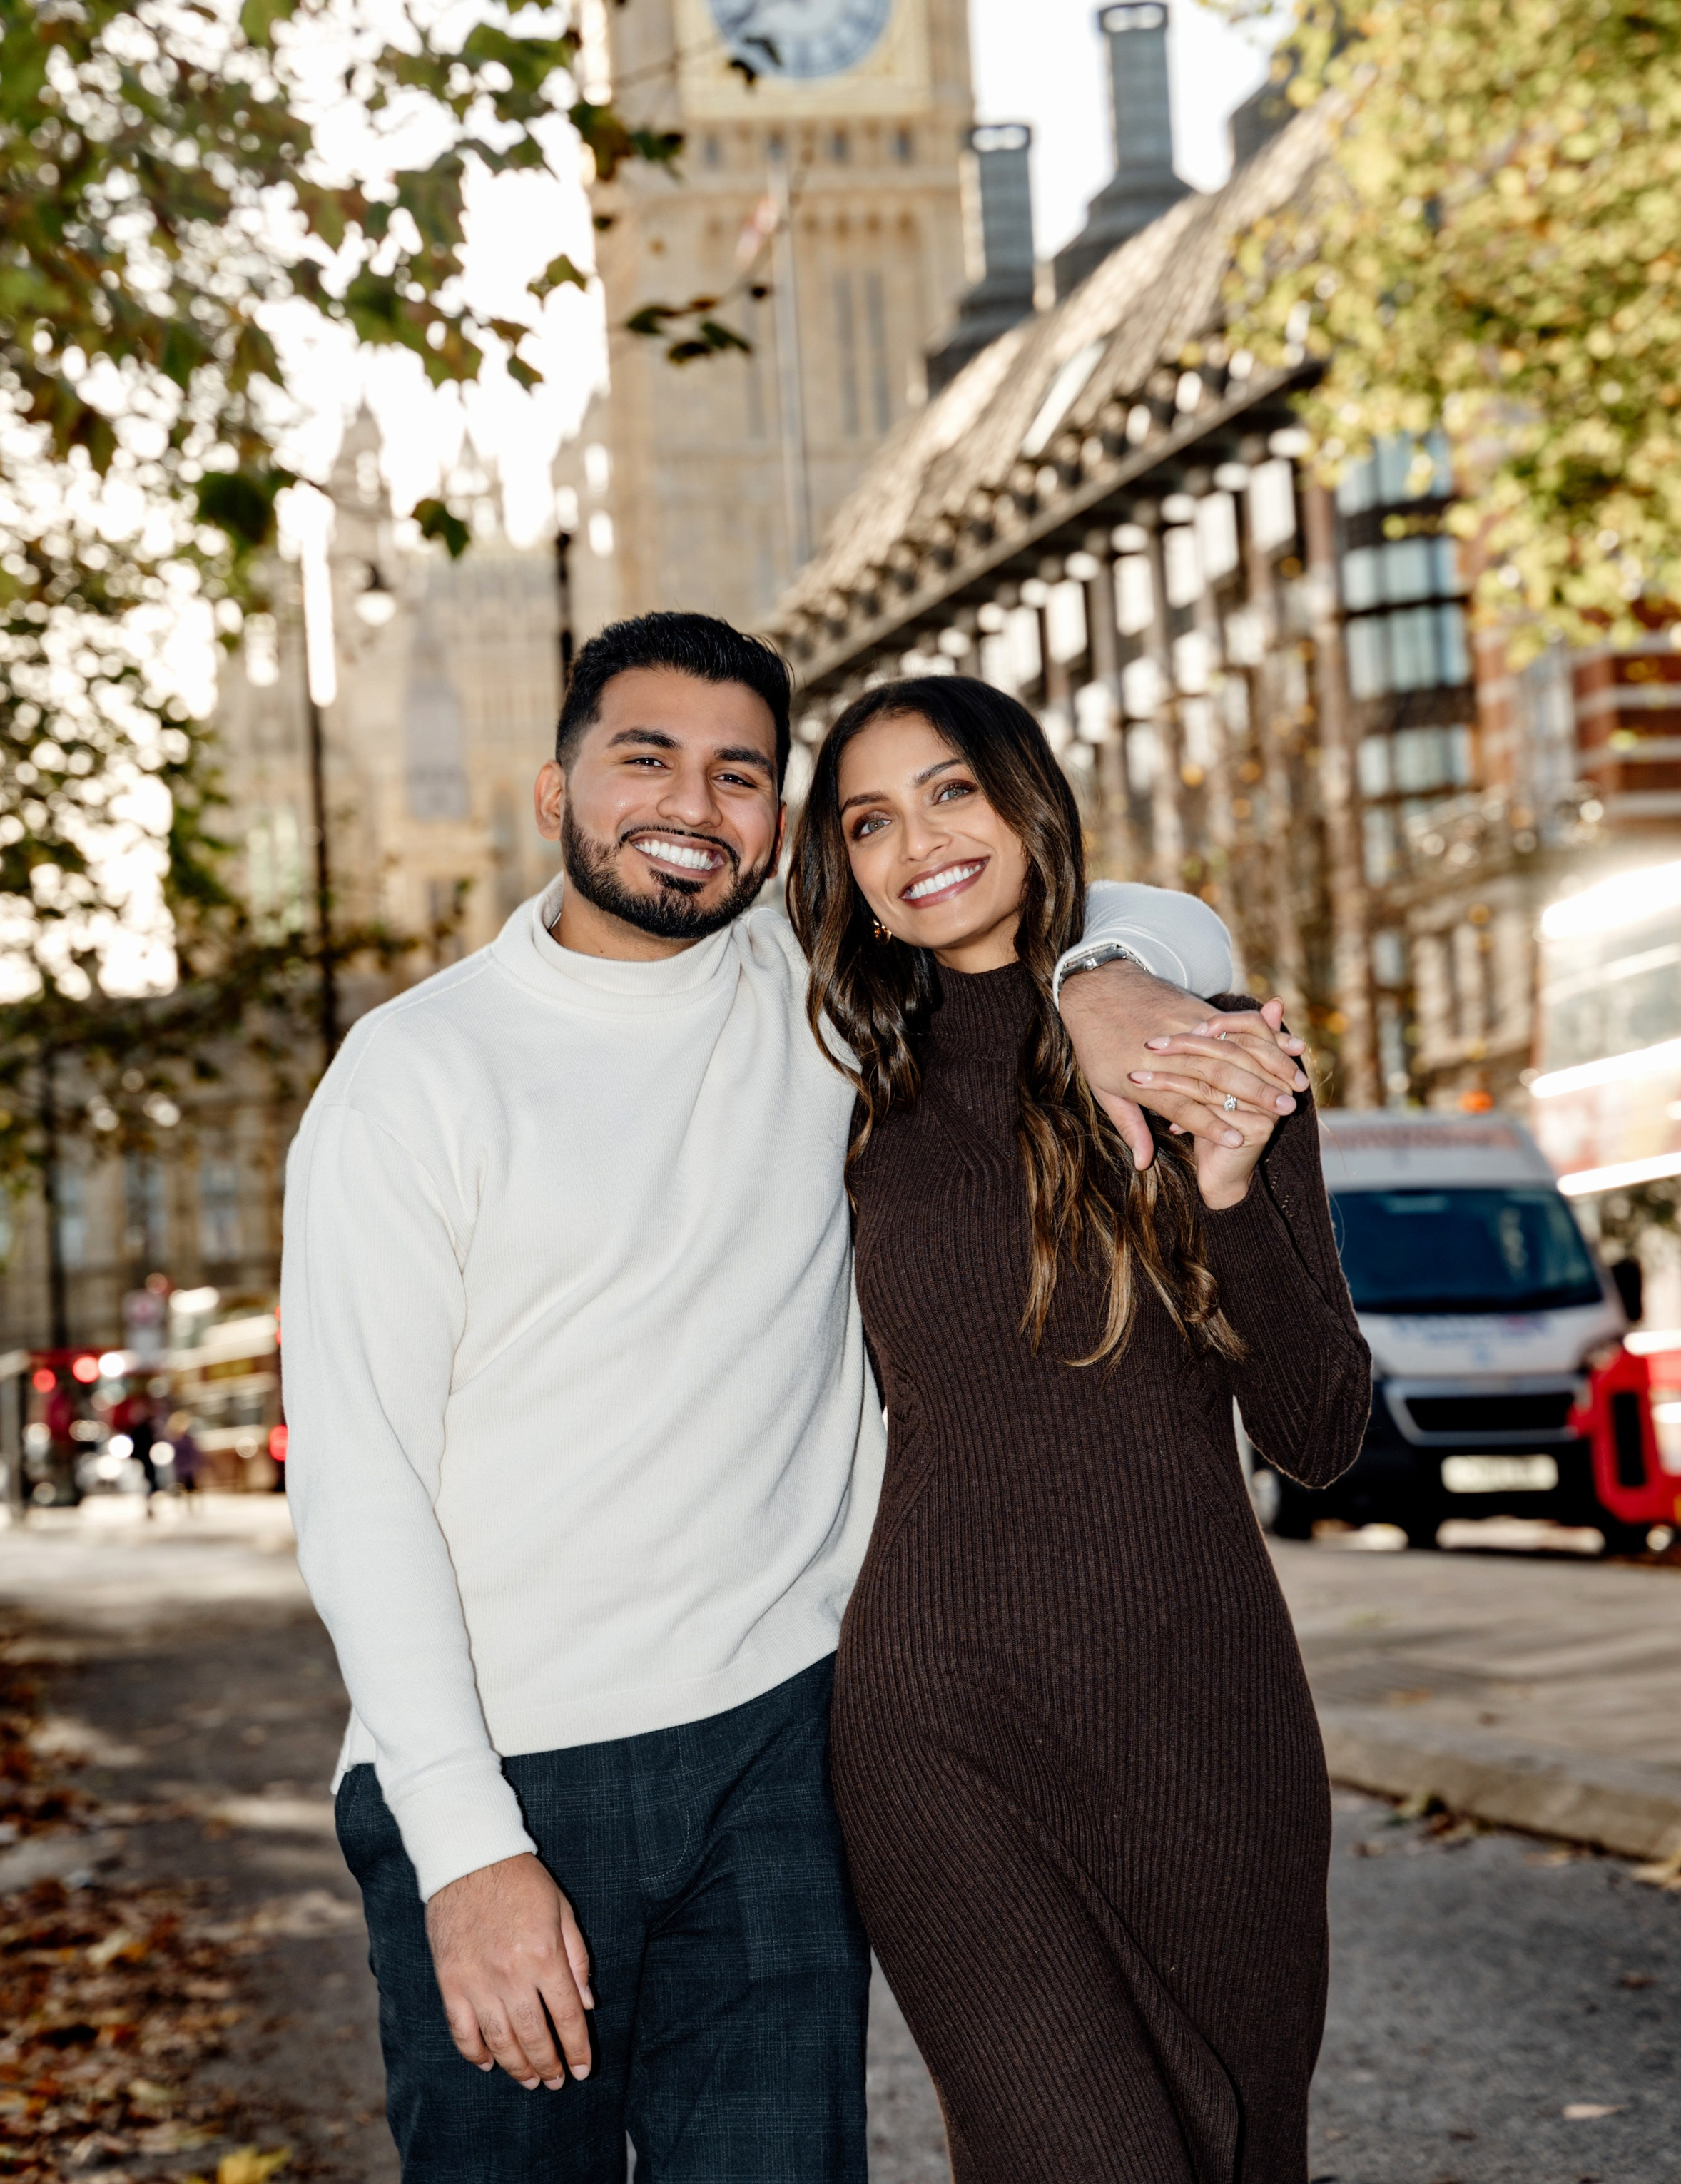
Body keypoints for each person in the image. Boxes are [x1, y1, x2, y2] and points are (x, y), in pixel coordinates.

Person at [282, 611, 1307, 2184]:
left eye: (740, 773)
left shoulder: (821, 998)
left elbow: (1106, 901)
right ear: (554, 792)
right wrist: (466, 1842)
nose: (691, 804)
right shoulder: (415, 1073)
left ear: (776, 822)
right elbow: (357, 1483)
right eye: (645, 759)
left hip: (777, 1742)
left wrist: (1105, 977)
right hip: (515, 1761)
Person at [786, 676, 1371, 2184]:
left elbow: (1317, 1426)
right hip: (939, 1719)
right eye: (868, 820)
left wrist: (1226, 1193)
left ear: (1026, 795)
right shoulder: (839, 1085)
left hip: (1207, 1714)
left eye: (950, 790)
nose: (917, 840)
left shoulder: (1204, 1045)